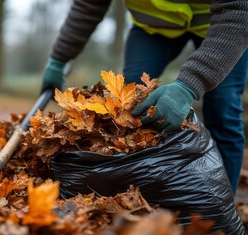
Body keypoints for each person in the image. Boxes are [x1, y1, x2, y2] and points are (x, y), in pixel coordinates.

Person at [41, 0, 248, 194]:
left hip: (223, 26)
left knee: (223, 110)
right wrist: (58, 58)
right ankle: (132, 189)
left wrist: (188, 87)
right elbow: (89, 4)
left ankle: (222, 206)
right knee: (128, 105)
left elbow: (239, 9)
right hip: (153, 28)